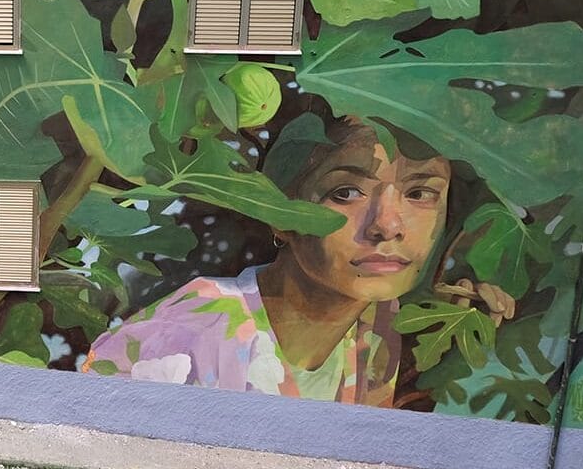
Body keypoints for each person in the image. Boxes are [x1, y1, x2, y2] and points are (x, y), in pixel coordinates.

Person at [83, 116, 513, 405]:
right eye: (345, 193)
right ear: (280, 213)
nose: (388, 226)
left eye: (420, 194)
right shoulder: (189, 333)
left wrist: (454, 340)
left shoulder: (379, 327)